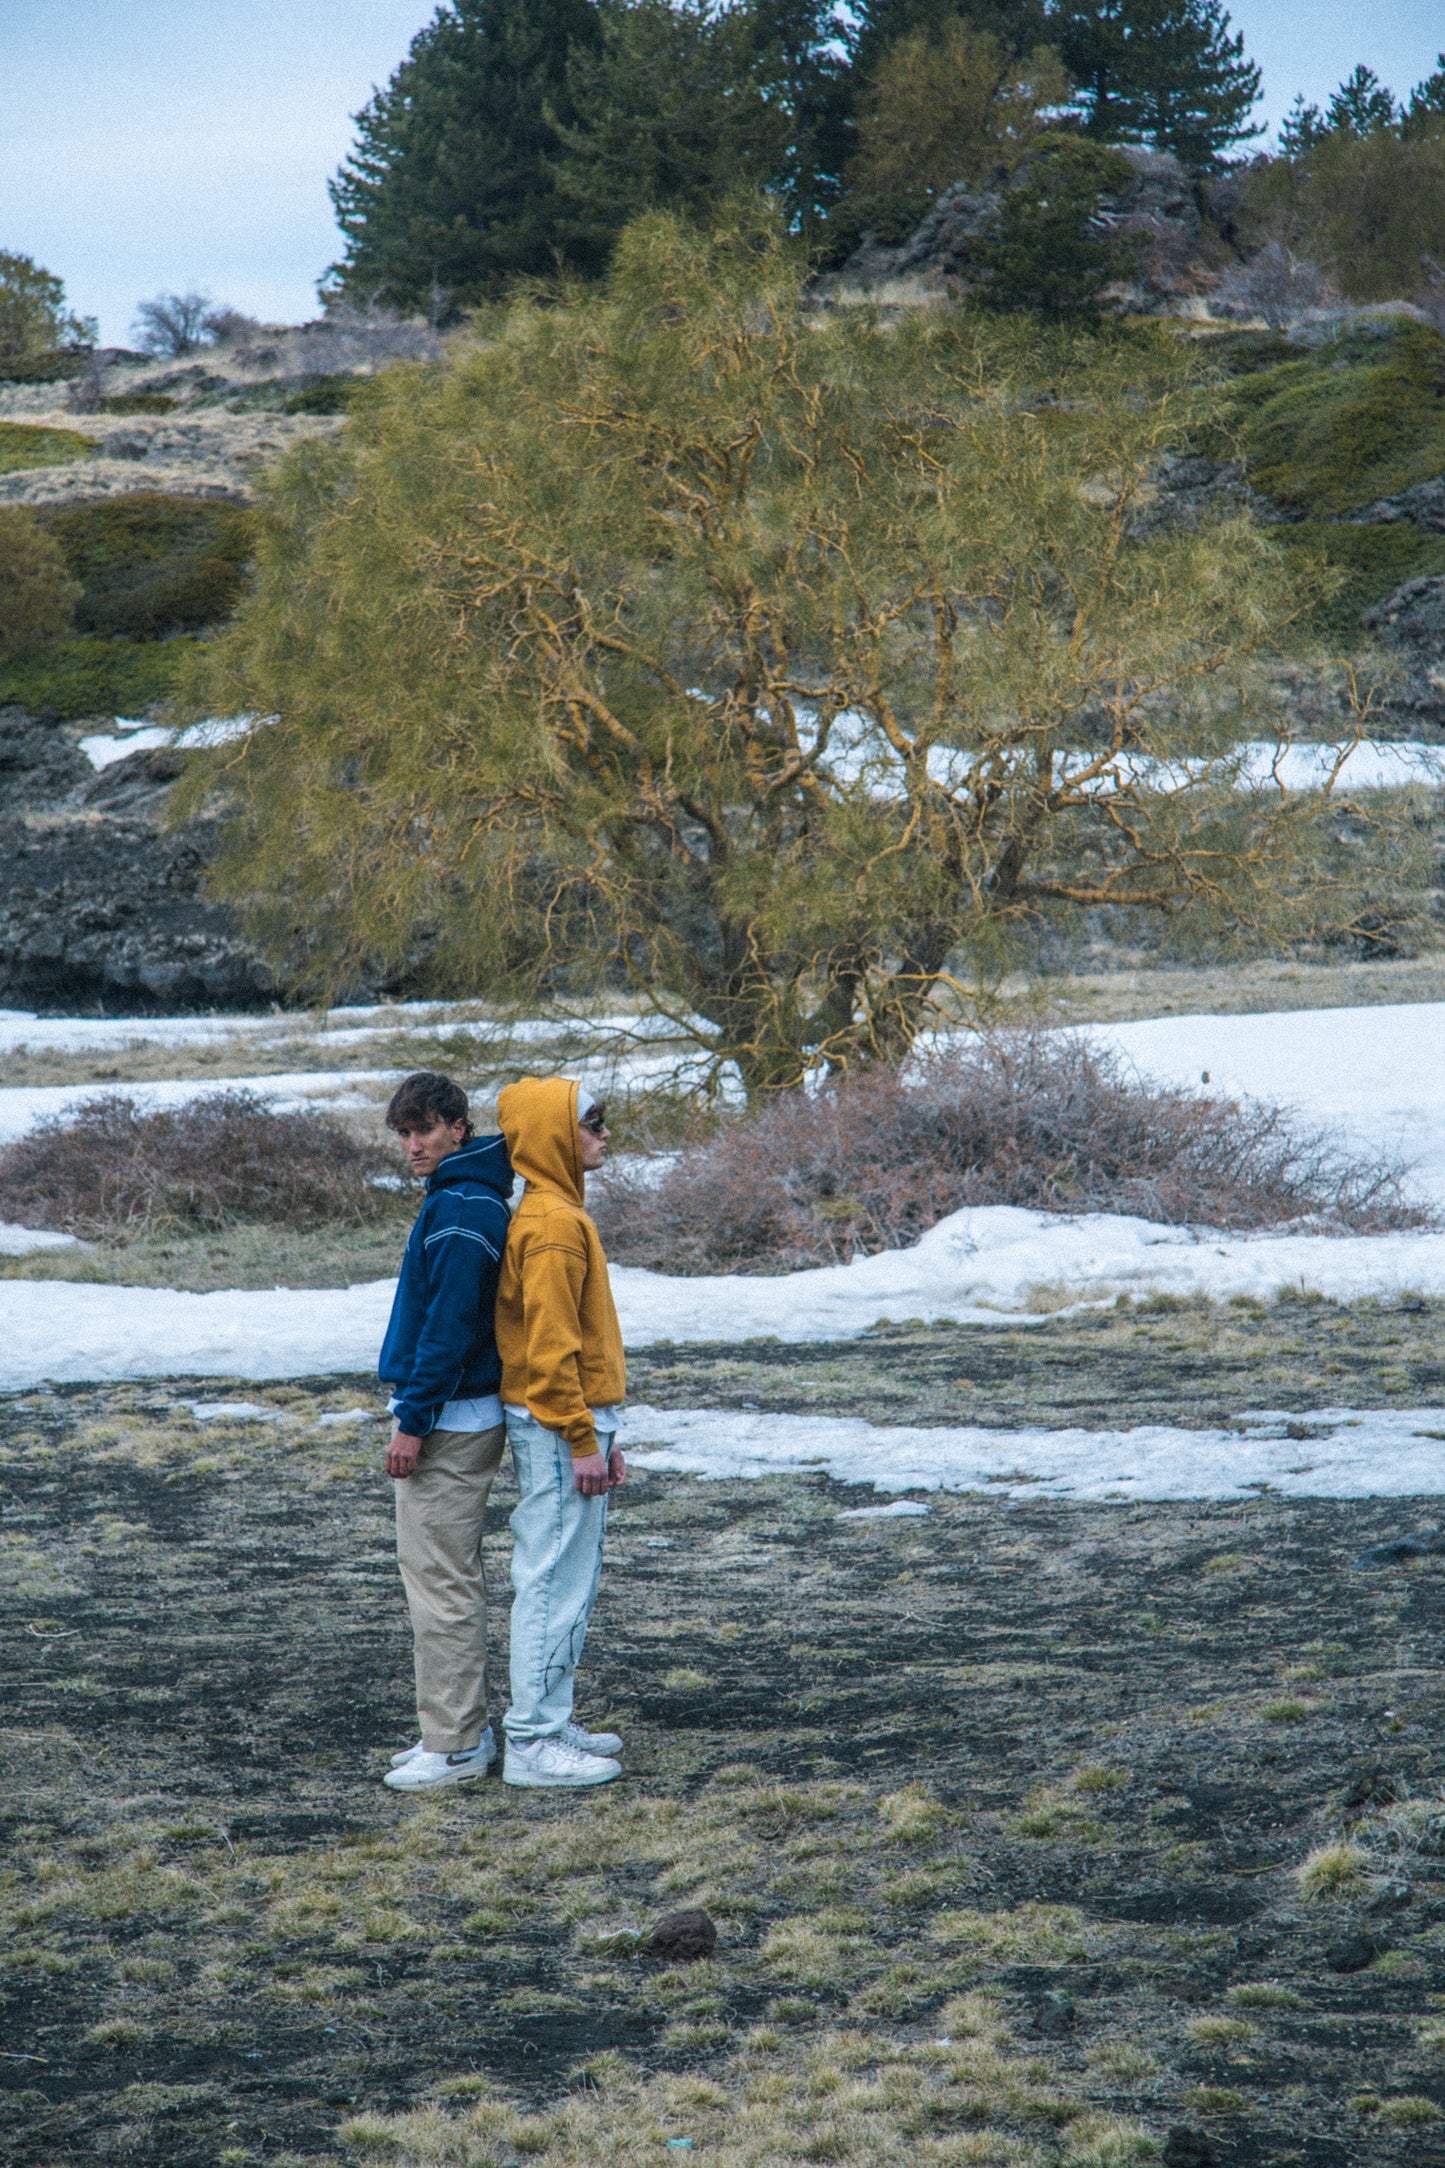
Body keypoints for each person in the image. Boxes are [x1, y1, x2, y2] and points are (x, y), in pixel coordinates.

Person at [376, 1071, 513, 1793]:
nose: (412, 1145)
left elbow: (450, 1329)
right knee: (441, 1577)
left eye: (424, 1129)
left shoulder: (462, 1206)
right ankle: (454, 1727)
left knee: (441, 1584)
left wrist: (413, 1421)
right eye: (403, 1133)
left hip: (450, 1420)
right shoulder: (462, 1196)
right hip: (457, 1413)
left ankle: (457, 1742)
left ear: (458, 1127)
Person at [493, 1076, 627, 1789]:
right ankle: (533, 1743)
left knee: (568, 1576)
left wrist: (602, 1431)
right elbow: (550, 1353)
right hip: (553, 1431)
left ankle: (550, 1714)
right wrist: (581, 1438)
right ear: (553, 1137)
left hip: (568, 1427)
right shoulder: (551, 1226)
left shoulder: (560, 1215)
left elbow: (578, 1348)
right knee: (550, 1580)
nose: (604, 1135)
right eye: (592, 1123)